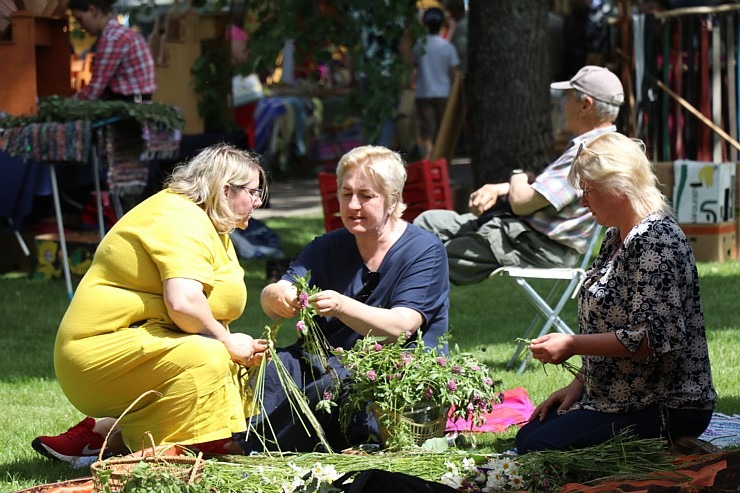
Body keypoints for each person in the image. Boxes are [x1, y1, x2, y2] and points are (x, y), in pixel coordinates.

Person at [32, 144, 269, 464]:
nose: (258, 201)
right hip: (96, 350)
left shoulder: (208, 223)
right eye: (254, 192)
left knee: (232, 361)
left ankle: (104, 438)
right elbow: (183, 304)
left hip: (141, 340)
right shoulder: (180, 218)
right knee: (210, 354)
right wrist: (227, 341)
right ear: (226, 190)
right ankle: (179, 450)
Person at [516, 132, 717, 453]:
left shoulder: (656, 241)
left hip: (668, 403)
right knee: (529, 435)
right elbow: (611, 324)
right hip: (619, 397)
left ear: (619, 187)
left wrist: (571, 345)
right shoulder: (615, 237)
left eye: (589, 191)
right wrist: (579, 385)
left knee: (538, 446)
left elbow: (650, 339)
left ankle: (673, 445)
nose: (583, 201)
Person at [254, 145, 450, 452]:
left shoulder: (424, 251)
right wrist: (276, 296)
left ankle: (256, 445)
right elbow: (278, 291)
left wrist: (343, 306)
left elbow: (401, 326)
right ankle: (252, 441)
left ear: (393, 199)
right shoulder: (328, 246)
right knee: (271, 369)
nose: (353, 205)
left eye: (366, 195)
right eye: (346, 194)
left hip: (392, 368)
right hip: (325, 360)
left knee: (334, 389)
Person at [414, 65, 624, 285]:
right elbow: (543, 193)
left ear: (585, 105)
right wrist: (501, 188)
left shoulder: (588, 152)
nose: (563, 106)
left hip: (531, 246)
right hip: (525, 237)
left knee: (424, 258)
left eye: (568, 99)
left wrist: (518, 175)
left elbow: (522, 203)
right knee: (428, 223)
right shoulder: (604, 145)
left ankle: (400, 313)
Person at [69, 0, 156, 101]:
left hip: (131, 103)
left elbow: (95, 89)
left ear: (92, 10)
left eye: (80, 19)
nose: (81, 26)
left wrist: (69, 105)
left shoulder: (112, 38)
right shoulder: (121, 32)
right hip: (139, 100)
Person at [413, 7, 460, 160]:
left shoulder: (419, 45)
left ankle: (428, 161)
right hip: (443, 93)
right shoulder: (447, 47)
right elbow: (454, 71)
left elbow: (412, 66)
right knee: (443, 132)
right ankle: (442, 165)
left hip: (423, 92)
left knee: (427, 132)